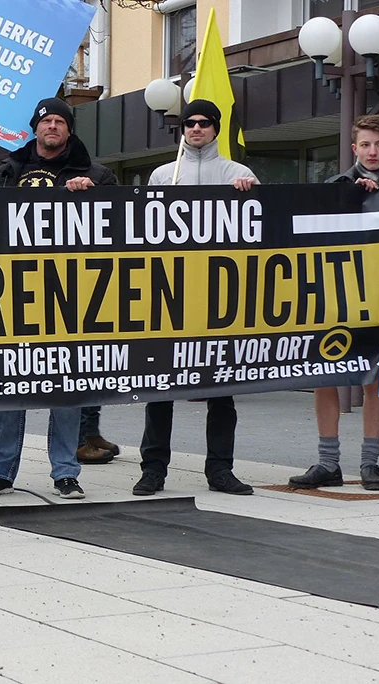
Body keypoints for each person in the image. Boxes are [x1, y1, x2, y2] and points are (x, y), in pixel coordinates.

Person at [0, 96, 117, 499]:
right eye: (47, 121)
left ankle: (65, 472)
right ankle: (2, 471)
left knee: (66, 388)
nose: (53, 127)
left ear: (69, 130)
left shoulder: (97, 174)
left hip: (69, 296)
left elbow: (116, 227)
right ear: (35, 128)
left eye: (61, 122)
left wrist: (91, 195)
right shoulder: (10, 171)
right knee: (10, 386)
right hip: (13, 295)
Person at [290, 114, 379, 492]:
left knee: (375, 379)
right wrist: (354, 198)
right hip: (337, 295)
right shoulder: (334, 187)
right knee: (325, 375)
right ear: (354, 149)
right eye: (365, 144)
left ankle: (370, 464)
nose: (373, 151)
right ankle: (328, 462)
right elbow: (315, 241)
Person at [133, 99, 258, 497]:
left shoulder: (239, 174)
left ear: (216, 128)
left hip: (221, 299)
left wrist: (249, 196)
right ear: (182, 129)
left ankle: (220, 470)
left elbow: (262, 232)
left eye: (205, 123)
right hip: (171, 296)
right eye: (190, 123)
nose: (197, 129)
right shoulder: (162, 176)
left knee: (222, 388)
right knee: (160, 388)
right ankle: (153, 469)